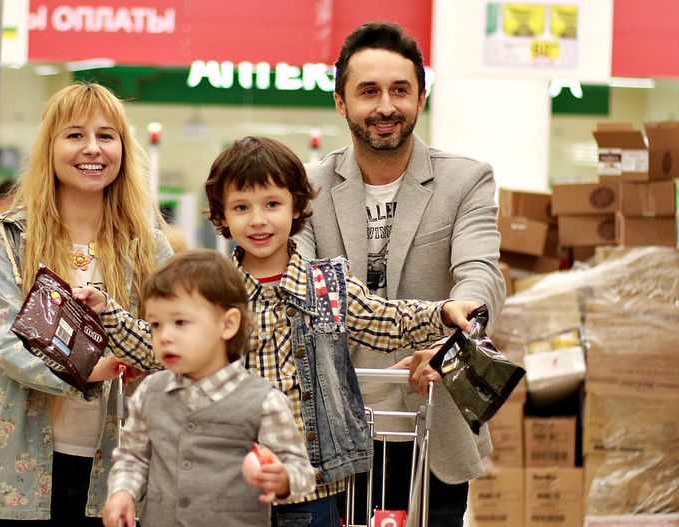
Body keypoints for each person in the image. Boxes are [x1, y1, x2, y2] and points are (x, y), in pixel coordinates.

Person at [78, 136, 482, 527]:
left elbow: (385, 320)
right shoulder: (214, 292)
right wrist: (107, 313)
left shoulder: (326, 285)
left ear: (297, 207)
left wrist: (443, 313)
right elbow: (158, 347)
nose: (258, 220)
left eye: (272, 204)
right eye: (241, 207)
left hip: (313, 488)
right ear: (221, 217)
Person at [294, 22, 506, 526]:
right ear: (341, 103)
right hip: (333, 430)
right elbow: (296, 278)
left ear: (421, 98)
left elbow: (480, 272)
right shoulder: (306, 188)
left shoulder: (465, 180)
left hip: (434, 423)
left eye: (400, 90)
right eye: (368, 91)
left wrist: (456, 343)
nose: (385, 106)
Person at [0, 83, 173, 525]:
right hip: (17, 464)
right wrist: (87, 370)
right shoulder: (8, 240)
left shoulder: (148, 247)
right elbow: (6, 341)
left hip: (119, 468)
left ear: (123, 150)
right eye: (75, 135)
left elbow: (174, 336)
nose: (93, 148)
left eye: (106, 136)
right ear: (50, 146)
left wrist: (137, 347)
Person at [99, 250, 317, 527]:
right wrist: (122, 492)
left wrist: (284, 479)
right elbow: (134, 457)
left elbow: (302, 473)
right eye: (155, 325)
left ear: (228, 324)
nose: (164, 336)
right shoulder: (149, 392)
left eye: (180, 322)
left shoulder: (264, 401)